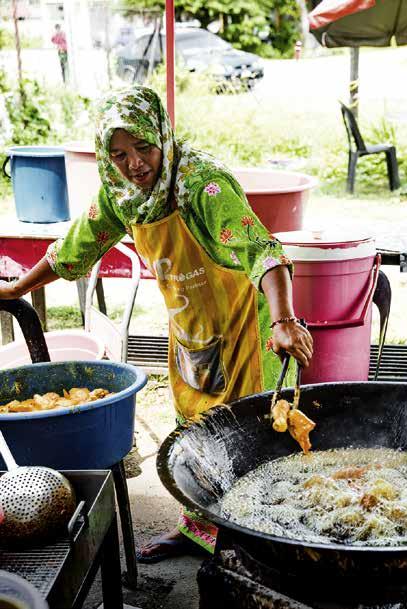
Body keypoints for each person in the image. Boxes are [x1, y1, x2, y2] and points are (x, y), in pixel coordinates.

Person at [0, 86, 313, 562]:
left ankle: (260, 539)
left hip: (248, 325)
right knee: (193, 435)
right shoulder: (122, 195)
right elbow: (74, 249)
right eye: (119, 154)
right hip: (193, 332)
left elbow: (263, 250)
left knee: (250, 437)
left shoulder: (201, 184)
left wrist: (286, 319)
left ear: (163, 136)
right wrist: (17, 289)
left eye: (143, 148)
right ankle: (198, 534)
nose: (135, 164)